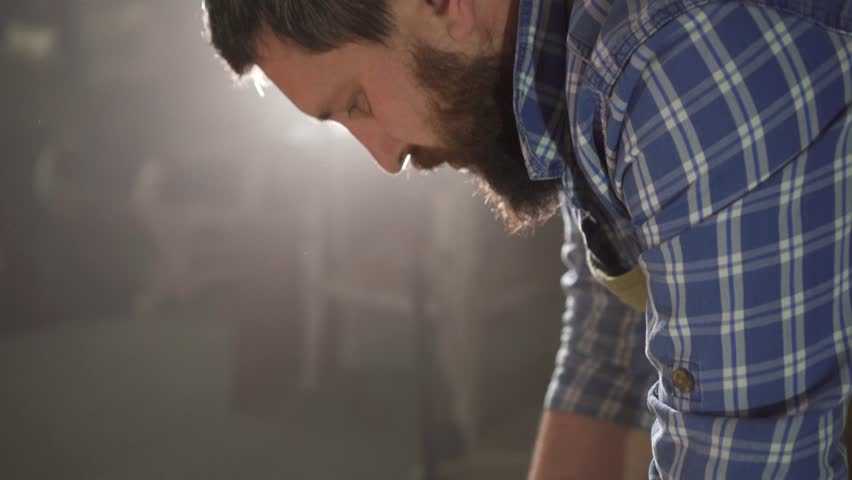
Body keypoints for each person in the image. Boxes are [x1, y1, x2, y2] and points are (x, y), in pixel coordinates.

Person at [202, 0, 852, 478]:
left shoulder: (673, 58)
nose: (385, 158)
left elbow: (746, 456)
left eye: (356, 103)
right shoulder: (565, 57)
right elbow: (607, 349)